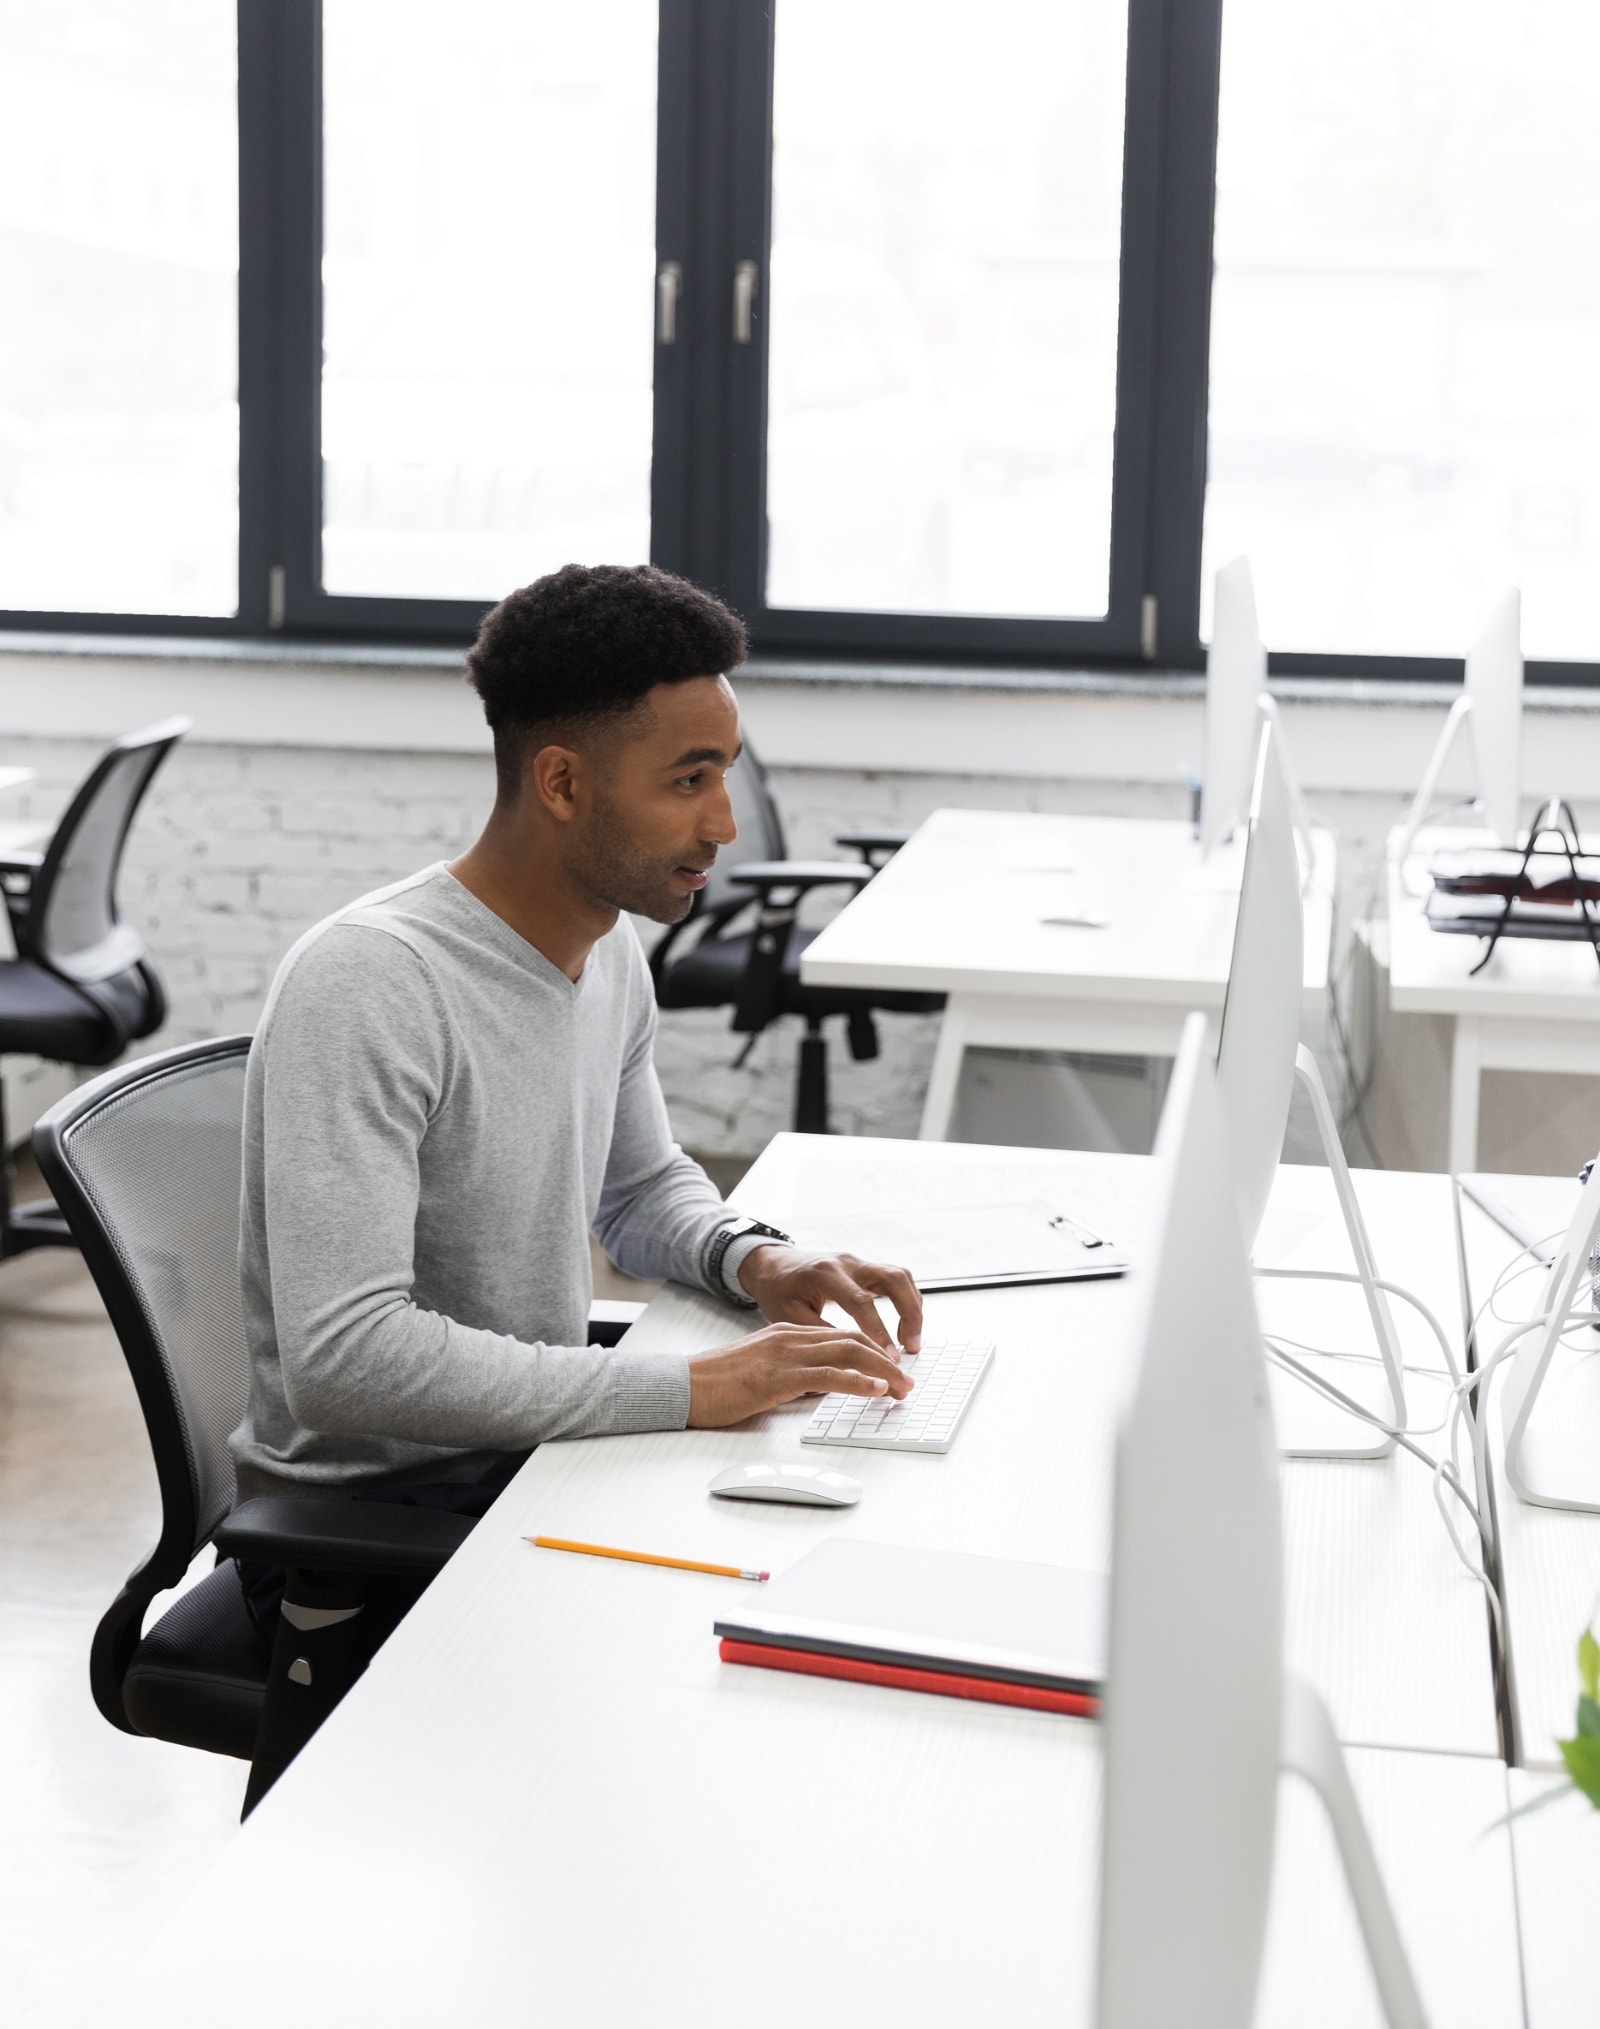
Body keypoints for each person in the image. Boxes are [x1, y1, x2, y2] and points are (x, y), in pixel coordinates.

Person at [230, 563, 920, 1625]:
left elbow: (639, 1189)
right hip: (374, 1533)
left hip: (523, 1460)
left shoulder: (606, 951)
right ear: (561, 784)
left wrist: (755, 1256)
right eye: (688, 781)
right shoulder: (372, 982)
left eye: (724, 774)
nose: (724, 826)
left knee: (856, 1554)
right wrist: (696, 1389)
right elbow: (345, 1358)